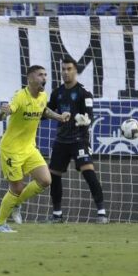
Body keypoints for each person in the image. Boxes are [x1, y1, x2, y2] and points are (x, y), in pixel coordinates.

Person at [0, 65, 70, 233]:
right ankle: (0, 224)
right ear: (30, 78)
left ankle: (17, 203)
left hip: (29, 148)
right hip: (11, 149)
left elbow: (43, 110)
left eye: (45, 75)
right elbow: (6, 112)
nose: (44, 78)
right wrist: (2, 112)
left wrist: (59, 116)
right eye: (40, 75)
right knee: (17, 188)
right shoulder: (20, 96)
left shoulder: (43, 95)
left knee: (45, 181)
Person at [45, 56, 106, 223]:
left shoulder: (83, 93)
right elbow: (46, 113)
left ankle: (102, 212)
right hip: (61, 140)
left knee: (88, 172)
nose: (65, 72)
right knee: (54, 176)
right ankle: (57, 214)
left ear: (76, 71)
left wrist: (85, 120)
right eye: (63, 69)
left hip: (79, 139)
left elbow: (89, 116)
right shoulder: (57, 93)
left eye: (69, 69)